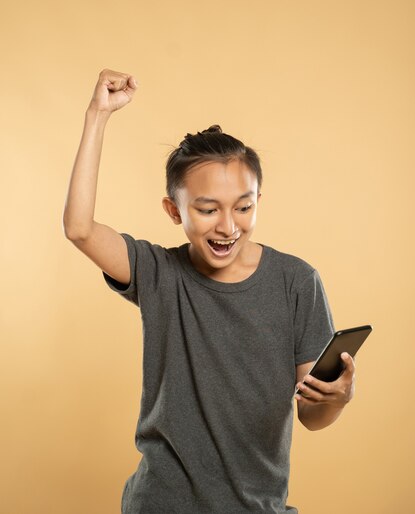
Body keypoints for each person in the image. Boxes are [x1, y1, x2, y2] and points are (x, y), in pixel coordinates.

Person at [63, 69, 356, 514]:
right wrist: (97, 115)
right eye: (207, 209)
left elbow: (310, 416)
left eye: (244, 207)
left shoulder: (297, 282)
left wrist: (336, 399)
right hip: (161, 504)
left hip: (259, 506)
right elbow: (79, 228)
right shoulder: (159, 272)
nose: (228, 226)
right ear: (173, 209)